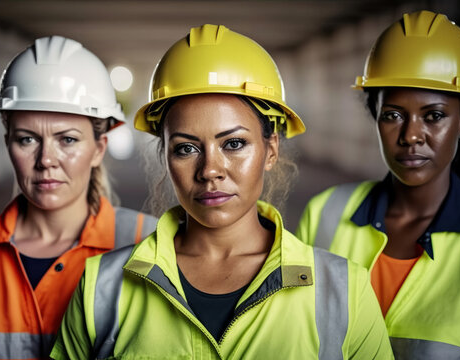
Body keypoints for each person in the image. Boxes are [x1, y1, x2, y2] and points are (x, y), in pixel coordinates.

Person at [51, 24, 393, 359]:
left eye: (233, 143)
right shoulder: (102, 286)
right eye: (186, 148)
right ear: (165, 155)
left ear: (270, 149)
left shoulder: (344, 289)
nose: (210, 170)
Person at [296, 10, 460, 358]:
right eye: (394, 115)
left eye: (433, 116)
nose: (411, 135)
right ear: (375, 118)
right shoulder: (325, 212)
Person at [0, 36, 157, 359]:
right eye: (27, 139)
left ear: (98, 149)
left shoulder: (151, 244)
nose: (46, 159)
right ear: (8, 143)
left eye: (67, 140)